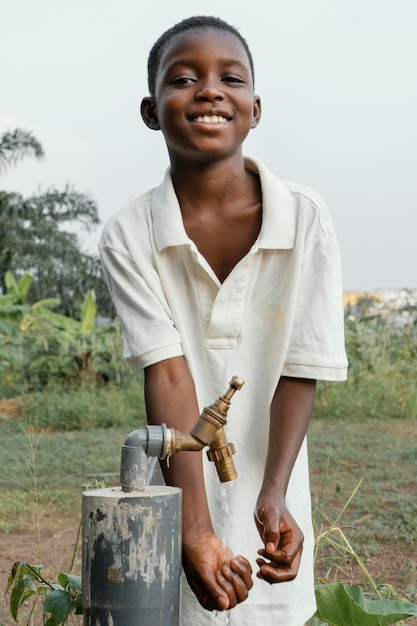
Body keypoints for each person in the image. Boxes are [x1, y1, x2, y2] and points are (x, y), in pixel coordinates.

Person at [99, 15, 348, 626]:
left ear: (255, 108)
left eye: (229, 78)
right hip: (181, 496)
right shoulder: (130, 235)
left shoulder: (306, 218)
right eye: (183, 78)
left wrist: (275, 493)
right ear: (151, 110)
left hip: (276, 488)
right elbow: (169, 375)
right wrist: (195, 530)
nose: (209, 89)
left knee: (277, 614)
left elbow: (299, 368)